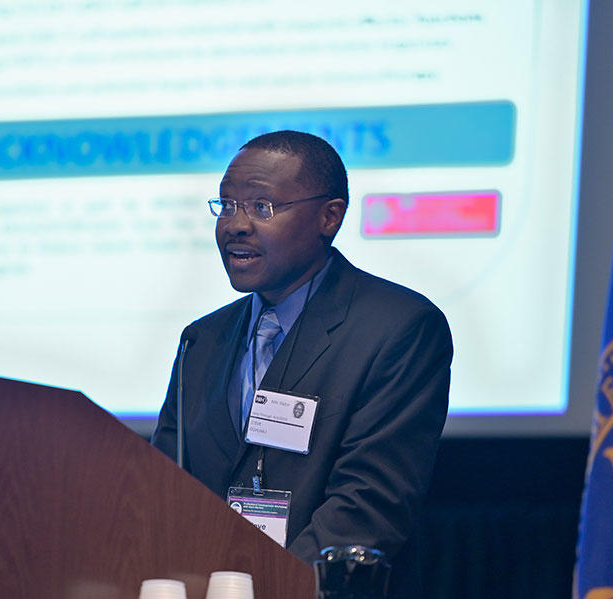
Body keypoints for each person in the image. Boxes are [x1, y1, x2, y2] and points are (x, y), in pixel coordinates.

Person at [151, 130, 452, 598]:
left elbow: (367, 506)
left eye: (261, 207)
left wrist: (259, 590)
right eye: (226, 205)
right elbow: (167, 494)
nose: (236, 225)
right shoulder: (201, 340)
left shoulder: (399, 328)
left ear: (329, 217)